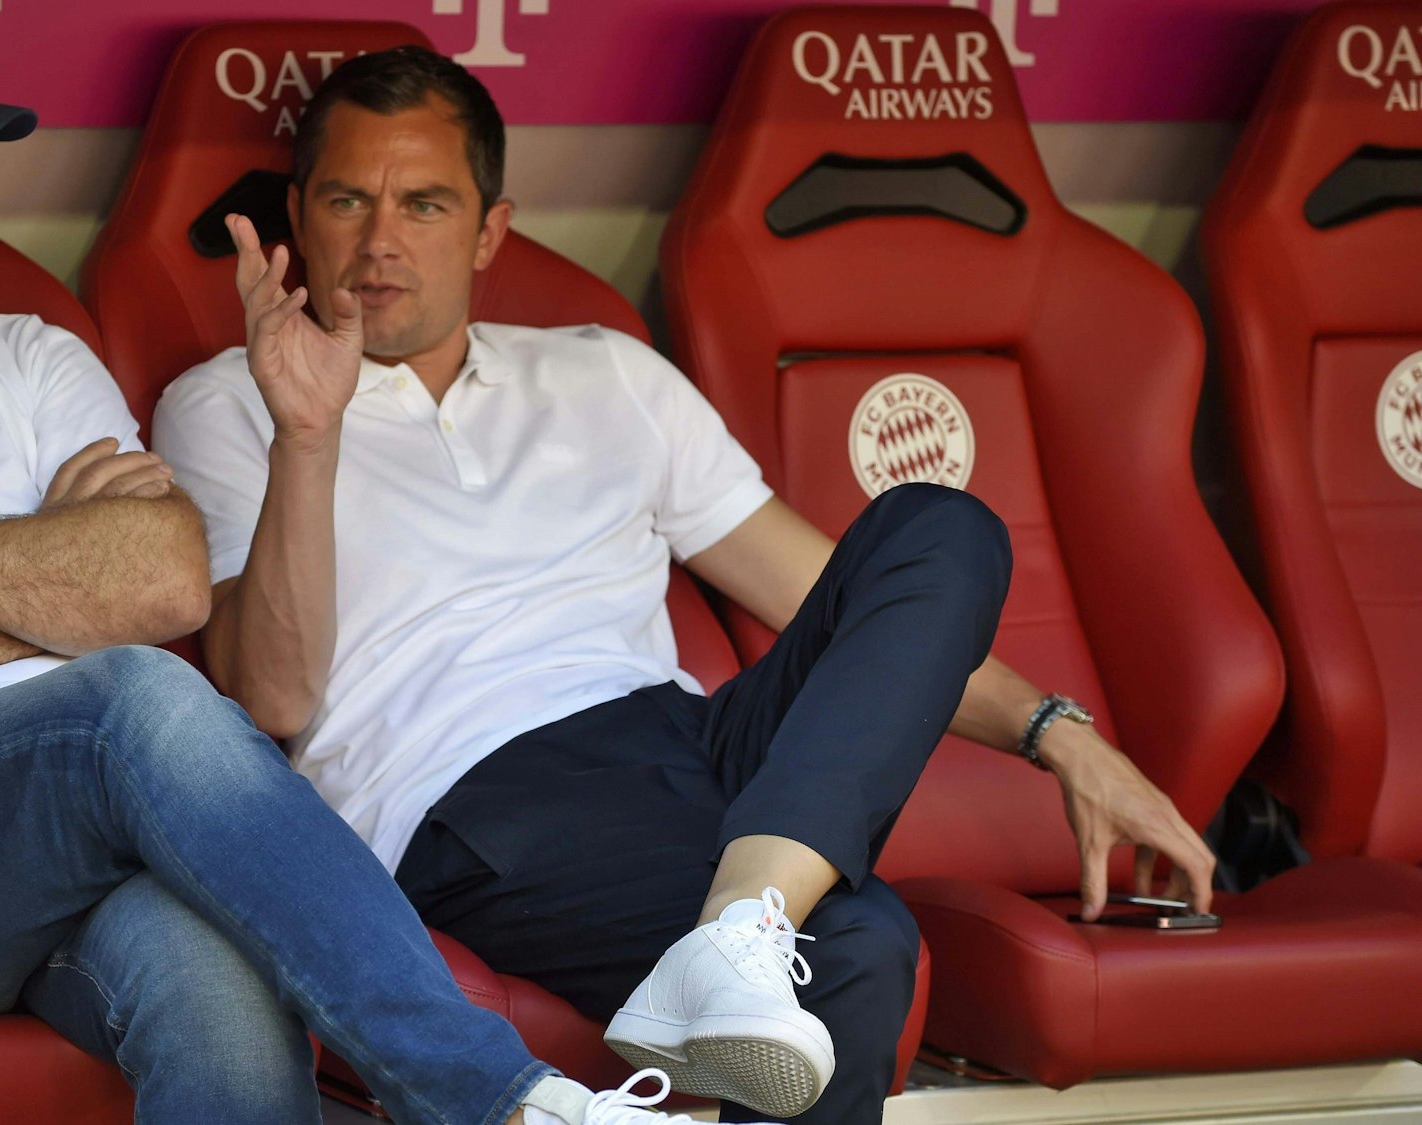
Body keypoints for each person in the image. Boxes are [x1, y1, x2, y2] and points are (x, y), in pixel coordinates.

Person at [0, 12, 704, 1125]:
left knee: (215, 982)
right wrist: (57, 610)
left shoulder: (26, 357)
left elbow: (161, 587)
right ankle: (493, 1102)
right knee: (134, 700)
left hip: (63, 850)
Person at [153, 46, 1220, 1123]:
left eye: (423, 204)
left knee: (937, 528)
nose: (381, 241)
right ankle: (751, 930)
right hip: (470, 795)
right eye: (347, 199)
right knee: (857, 945)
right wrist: (307, 433)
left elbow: (829, 598)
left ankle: (742, 922)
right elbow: (272, 702)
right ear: (298, 213)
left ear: (488, 230)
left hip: (682, 745)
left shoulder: (601, 369)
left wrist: (1060, 736)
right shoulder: (229, 402)